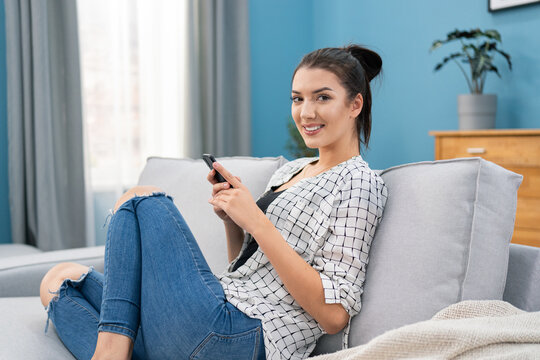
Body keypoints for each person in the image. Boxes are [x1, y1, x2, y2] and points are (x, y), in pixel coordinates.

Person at [39, 45, 388, 360]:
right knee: (59, 281)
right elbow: (246, 269)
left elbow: (333, 316)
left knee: (141, 200)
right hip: (219, 308)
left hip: (244, 335)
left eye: (322, 98)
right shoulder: (293, 170)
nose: (306, 112)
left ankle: (111, 352)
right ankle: (125, 348)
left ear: (354, 104)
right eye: (298, 99)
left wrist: (256, 220)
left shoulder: (359, 182)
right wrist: (232, 220)